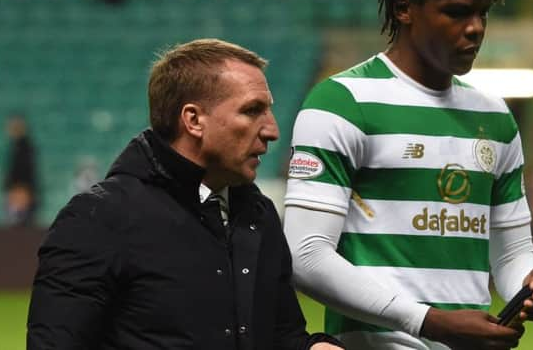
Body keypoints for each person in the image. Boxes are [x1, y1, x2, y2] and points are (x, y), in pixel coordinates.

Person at [283, 0, 533, 350]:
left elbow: (510, 254)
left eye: (483, 14)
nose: (475, 29)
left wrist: (530, 284)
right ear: (404, 9)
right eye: (456, 13)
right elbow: (306, 255)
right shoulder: (342, 102)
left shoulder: (496, 116)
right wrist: (427, 322)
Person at [27, 39, 344, 350]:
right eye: (252, 111)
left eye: (268, 111)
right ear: (193, 120)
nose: (272, 130)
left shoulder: (257, 214)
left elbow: (281, 336)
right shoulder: (99, 217)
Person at [3, 114, 39, 227]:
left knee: (21, 226)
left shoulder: (25, 147)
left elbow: (24, 172)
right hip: (21, 192)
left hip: (21, 192)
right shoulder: (17, 145)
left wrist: (20, 192)